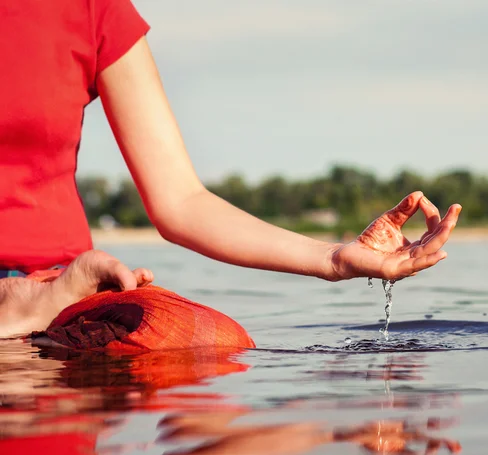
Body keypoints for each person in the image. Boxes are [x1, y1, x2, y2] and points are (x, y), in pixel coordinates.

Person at [0, 0, 461, 338]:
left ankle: (341, 435)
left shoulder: (91, 8)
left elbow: (181, 200)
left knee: (208, 340)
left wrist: (334, 258)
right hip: (29, 301)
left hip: (63, 291)